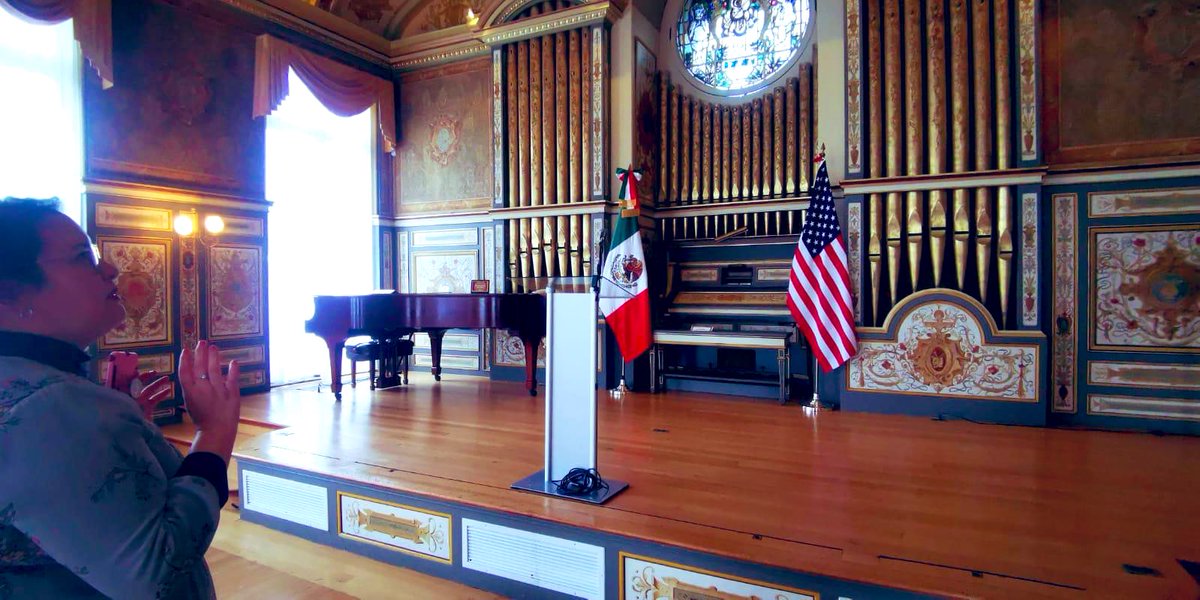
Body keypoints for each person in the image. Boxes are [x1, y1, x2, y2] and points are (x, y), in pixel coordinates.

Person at [0, 197, 242, 599]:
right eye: (82, 257)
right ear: (9, 291)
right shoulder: (50, 406)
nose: (109, 269)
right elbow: (155, 573)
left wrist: (114, 435)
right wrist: (213, 434)